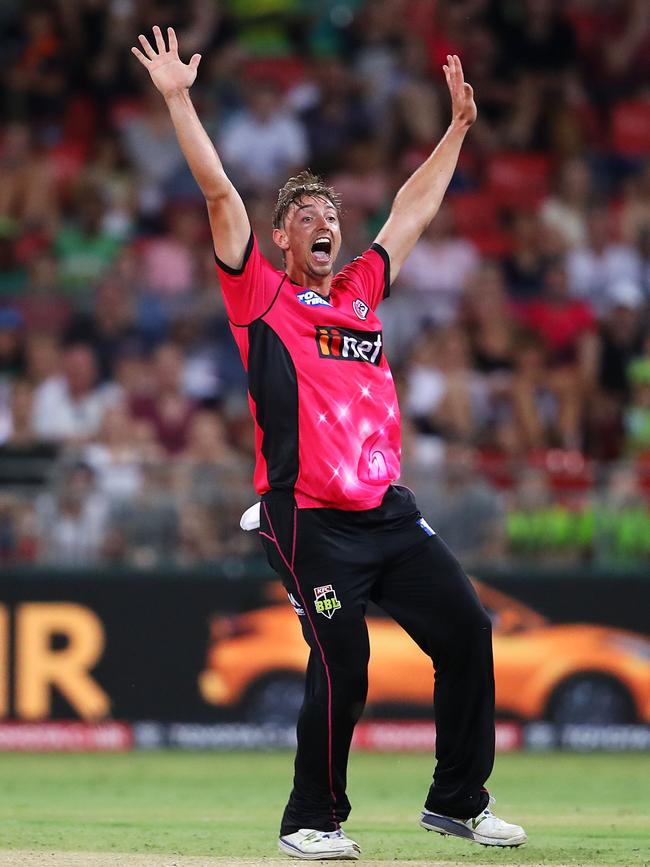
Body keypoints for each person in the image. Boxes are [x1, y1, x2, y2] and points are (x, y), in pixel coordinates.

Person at [132, 27, 527, 861]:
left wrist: (456, 131)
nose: (324, 222)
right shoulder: (261, 296)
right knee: (345, 653)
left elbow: (412, 210)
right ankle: (311, 819)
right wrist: (178, 99)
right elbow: (219, 197)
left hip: (385, 512)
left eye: (331, 215)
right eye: (305, 215)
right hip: (307, 516)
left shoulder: (358, 290)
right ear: (280, 239)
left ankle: (458, 799)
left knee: (470, 631)